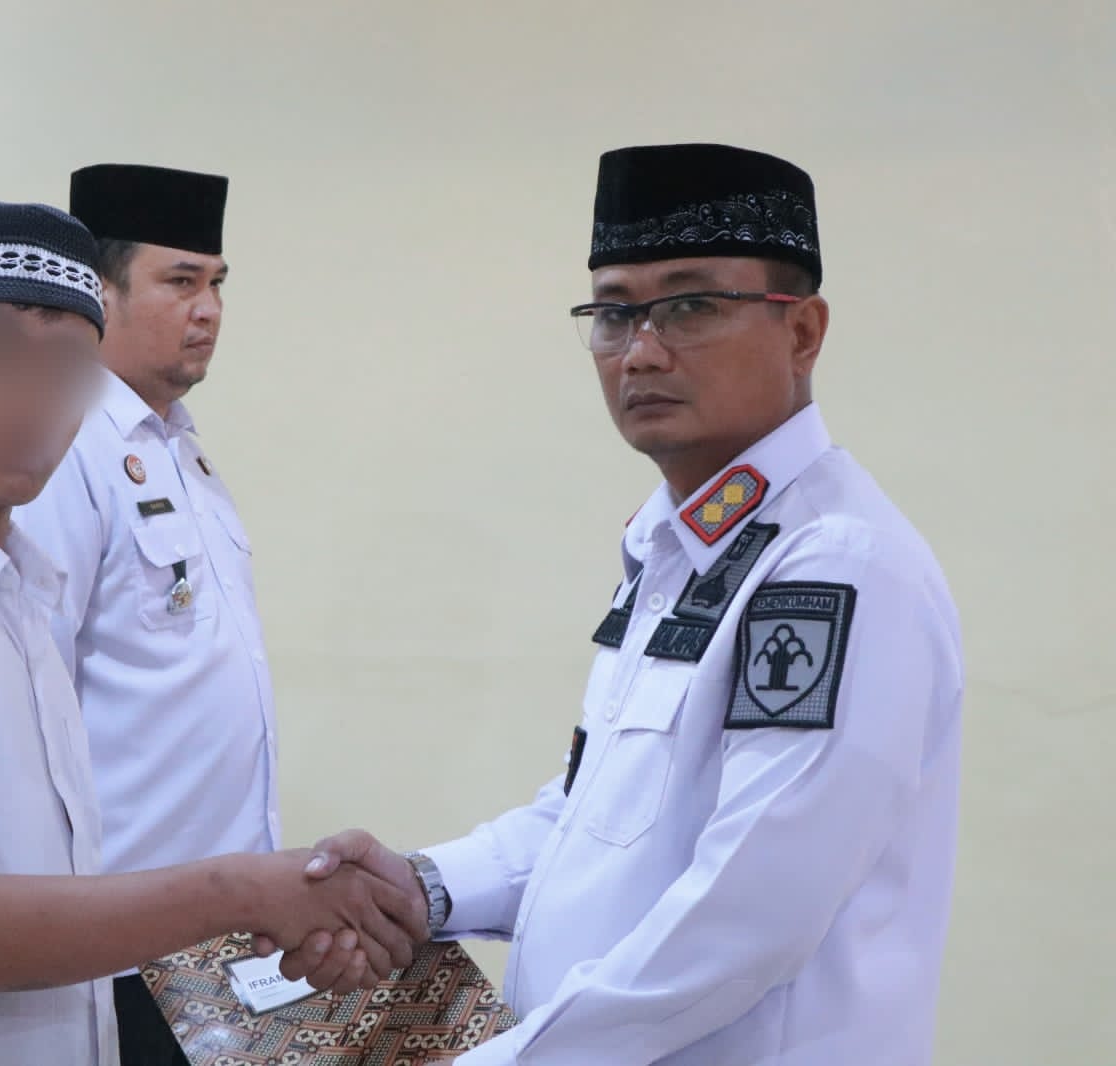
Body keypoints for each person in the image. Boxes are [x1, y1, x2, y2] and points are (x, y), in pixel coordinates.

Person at [279, 144, 965, 1065]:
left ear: (802, 331)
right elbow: (592, 820)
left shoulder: (832, 565)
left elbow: (745, 920)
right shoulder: (676, 546)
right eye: (613, 313)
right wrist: (421, 887)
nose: (641, 350)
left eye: (690, 307)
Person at [0, 200, 424, 1066]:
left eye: (69, 367)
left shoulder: (15, 591)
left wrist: (276, 902)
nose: (33, 397)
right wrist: (240, 892)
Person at [15, 163, 280, 1063]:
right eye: (180, 282)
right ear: (101, 291)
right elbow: (33, 693)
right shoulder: (66, 447)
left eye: (218, 284)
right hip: (122, 936)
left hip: (217, 939)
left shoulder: (180, 450)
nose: (209, 310)